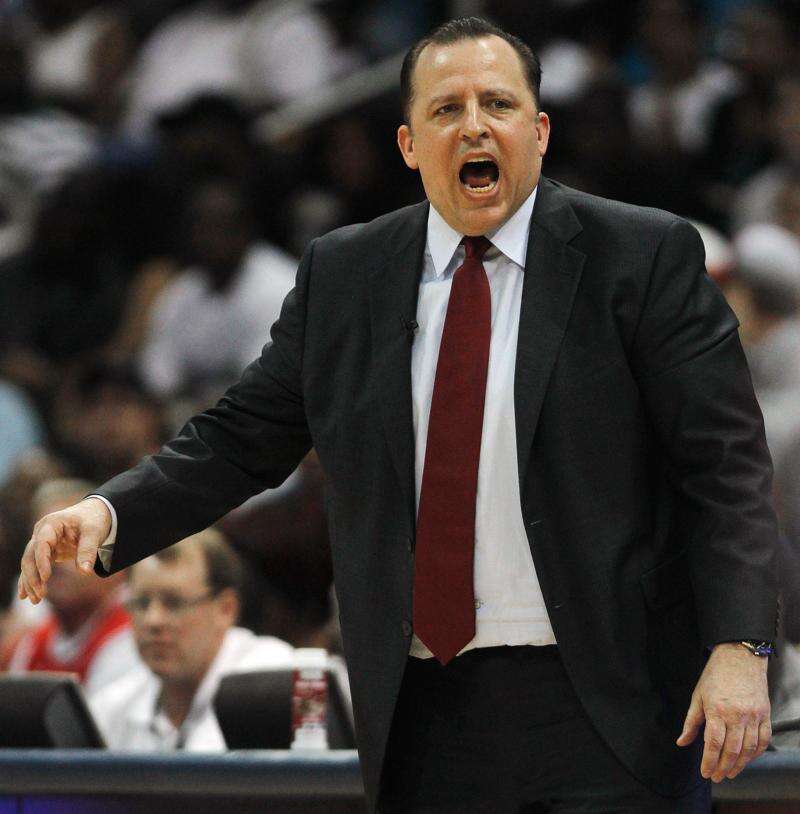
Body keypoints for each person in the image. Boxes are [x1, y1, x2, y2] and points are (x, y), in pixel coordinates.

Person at [18, 17, 778, 814]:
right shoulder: (345, 274)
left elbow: (724, 467)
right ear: (410, 144)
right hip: (425, 714)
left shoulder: (642, 256)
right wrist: (110, 513)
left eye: (498, 104)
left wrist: (741, 643)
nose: (475, 126)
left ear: (540, 131)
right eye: (447, 109)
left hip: (613, 703)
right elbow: (240, 436)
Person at [89, 527, 294, 750]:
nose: (153, 621)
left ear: (226, 609)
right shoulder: (111, 707)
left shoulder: (273, 675)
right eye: (142, 603)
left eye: (174, 603)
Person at [8, 478, 140, 698]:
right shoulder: (30, 645)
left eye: (70, 541)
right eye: (44, 543)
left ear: (114, 559)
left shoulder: (132, 637)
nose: (55, 559)